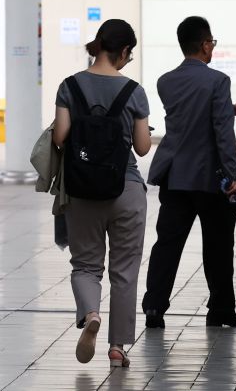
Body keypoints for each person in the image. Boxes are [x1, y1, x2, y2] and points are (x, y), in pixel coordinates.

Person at [53, 19, 151, 367]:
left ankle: (91, 313)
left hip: (81, 191)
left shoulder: (69, 86)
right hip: (125, 189)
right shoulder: (134, 91)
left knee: (85, 266)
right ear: (124, 51)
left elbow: (60, 138)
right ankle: (117, 347)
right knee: (124, 270)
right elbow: (141, 148)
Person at [142, 16, 236, 328]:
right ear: (205, 45)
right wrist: (233, 175)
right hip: (211, 178)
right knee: (218, 247)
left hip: (175, 176)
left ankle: (154, 307)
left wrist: (229, 107)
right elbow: (221, 133)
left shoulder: (165, 81)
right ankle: (220, 310)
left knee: (167, 244)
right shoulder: (218, 81)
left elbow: (188, 116)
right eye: (212, 42)